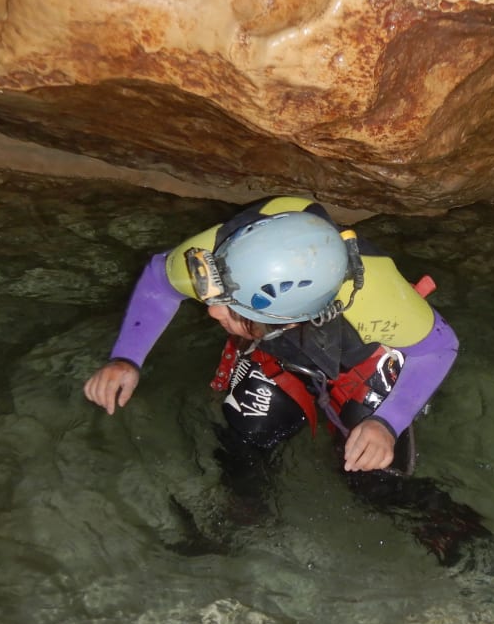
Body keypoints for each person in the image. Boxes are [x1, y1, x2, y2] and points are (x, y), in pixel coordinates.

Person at [84, 196, 459, 475]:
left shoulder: (376, 297)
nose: (213, 311)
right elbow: (159, 282)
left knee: (377, 469)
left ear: (291, 320)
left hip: (363, 360)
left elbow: (438, 348)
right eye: (218, 298)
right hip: (279, 353)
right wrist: (127, 358)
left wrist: (387, 423)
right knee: (243, 440)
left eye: (235, 310)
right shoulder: (215, 257)